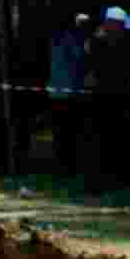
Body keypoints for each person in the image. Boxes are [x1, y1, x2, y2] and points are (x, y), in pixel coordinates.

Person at [82, 7, 130, 194]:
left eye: (110, 22)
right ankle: (101, 182)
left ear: (118, 24)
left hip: (122, 98)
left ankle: (119, 181)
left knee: (120, 140)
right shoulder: (97, 41)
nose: (107, 25)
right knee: (102, 142)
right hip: (101, 98)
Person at [48, 13, 90, 176]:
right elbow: (80, 57)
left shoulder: (55, 39)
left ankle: (61, 165)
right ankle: (68, 166)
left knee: (60, 133)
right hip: (68, 92)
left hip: (56, 91)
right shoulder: (70, 39)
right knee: (69, 132)